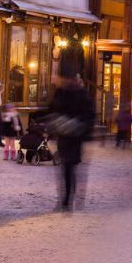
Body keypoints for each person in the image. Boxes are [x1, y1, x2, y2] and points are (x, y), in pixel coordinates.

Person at [48, 69, 94, 211]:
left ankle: (67, 200)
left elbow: (89, 117)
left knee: (69, 168)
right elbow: (53, 109)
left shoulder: (82, 95)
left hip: (75, 138)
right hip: (64, 137)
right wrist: (55, 123)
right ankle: (65, 199)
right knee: (64, 168)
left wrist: (79, 127)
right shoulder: (61, 93)